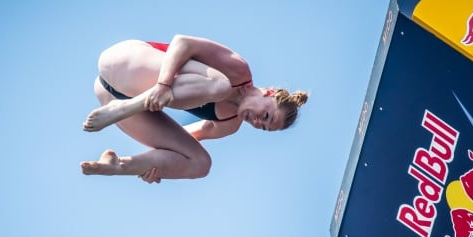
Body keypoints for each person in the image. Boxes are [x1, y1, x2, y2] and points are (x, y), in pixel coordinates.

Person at [80, 35, 308, 183]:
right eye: (266, 115)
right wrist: (163, 84)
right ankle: (128, 106)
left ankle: (118, 165)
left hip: (111, 95)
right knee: (220, 86)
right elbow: (182, 42)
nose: (257, 122)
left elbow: (179, 142)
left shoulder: (228, 124)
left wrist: (155, 164)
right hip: (125, 64)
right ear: (270, 93)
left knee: (200, 164)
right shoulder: (238, 70)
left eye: (263, 128)